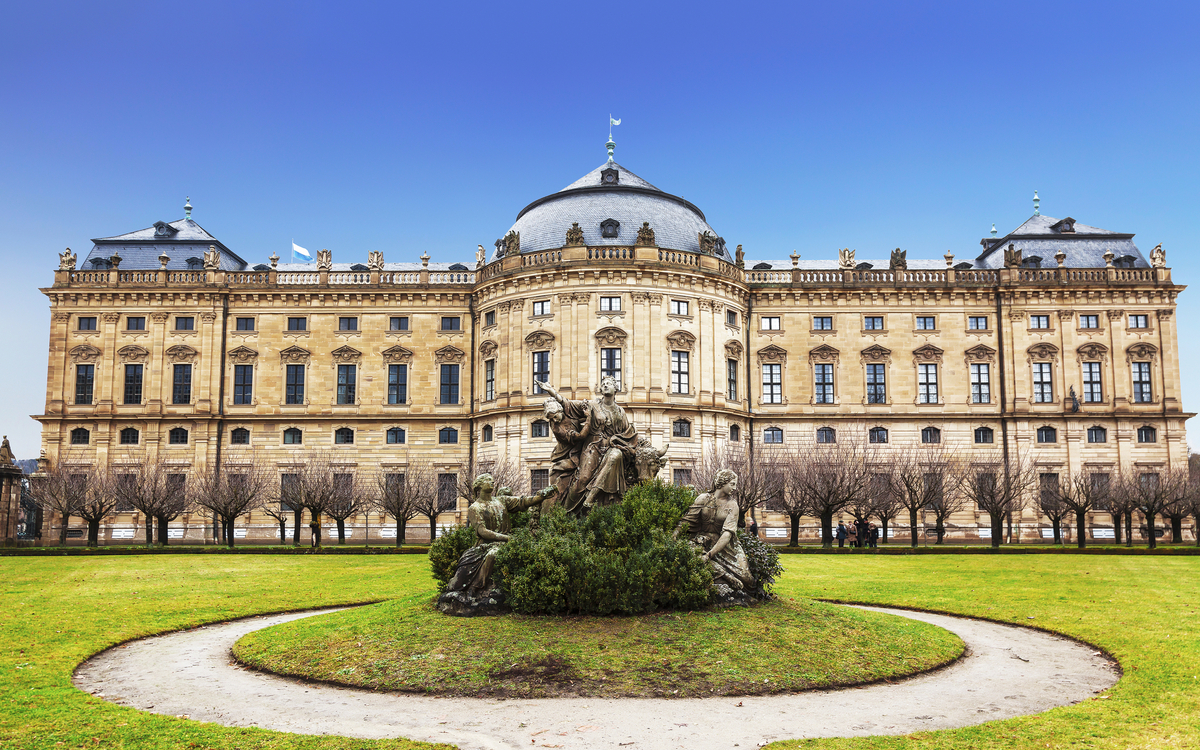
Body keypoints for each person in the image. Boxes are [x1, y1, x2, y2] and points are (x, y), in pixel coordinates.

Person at [538, 376, 638, 514]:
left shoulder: (620, 412)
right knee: (583, 479)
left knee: (616, 455)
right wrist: (552, 392)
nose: (605, 385)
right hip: (593, 447)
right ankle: (566, 511)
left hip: (612, 447)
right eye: (603, 384)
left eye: (609, 383)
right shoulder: (592, 405)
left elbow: (627, 433)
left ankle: (593, 499)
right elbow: (569, 405)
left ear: (616, 389)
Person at [444, 474, 557, 596]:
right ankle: (474, 588)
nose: (492, 481)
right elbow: (483, 532)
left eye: (492, 480)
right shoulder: (474, 508)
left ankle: (478, 587)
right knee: (474, 565)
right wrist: (507, 538)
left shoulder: (501, 500)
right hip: (484, 546)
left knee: (494, 554)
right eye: (488, 480)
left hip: (504, 543)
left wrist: (541, 496)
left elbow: (523, 501)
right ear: (479, 486)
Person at [673, 469, 755, 590]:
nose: (735, 488)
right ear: (722, 482)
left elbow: (727, 534)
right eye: (732, 484)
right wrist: (675, 533)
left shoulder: (732, 505)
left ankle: (718, 570)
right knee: (689, 553)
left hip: (725, 546)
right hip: (701, 541)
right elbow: (688, 520)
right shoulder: (703, 499)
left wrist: (709, 555)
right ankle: (725, 575)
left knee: (747, 579)